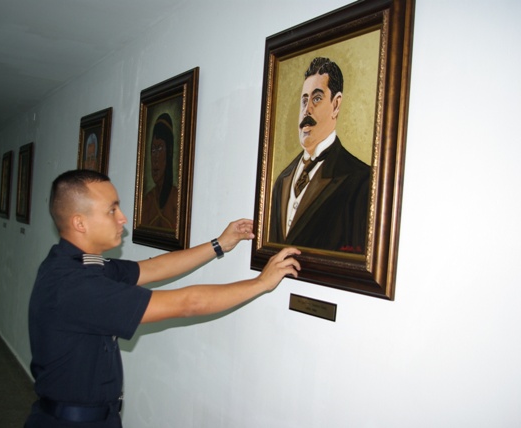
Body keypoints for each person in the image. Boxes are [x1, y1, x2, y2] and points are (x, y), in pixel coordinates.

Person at [25, 169, 300, 428]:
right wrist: (261, 283)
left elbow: (152, 268)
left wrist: (219, 244)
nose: (122, 218)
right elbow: (187, 303)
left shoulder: (77, 264)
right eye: (111, 210)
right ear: (79, 222)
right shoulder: (75, 285)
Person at [269, 57, 370, 254]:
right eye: (304, 101)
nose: (307, 110)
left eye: (316, 99)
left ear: (336, 104)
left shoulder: (361, 180)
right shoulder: (282, 181)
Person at [140, 113, 178, 229]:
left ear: (169, 151)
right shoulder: (147, 200)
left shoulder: (176, 198)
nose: (155, 158)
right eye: (153, 150)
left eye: (160, 148)